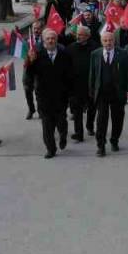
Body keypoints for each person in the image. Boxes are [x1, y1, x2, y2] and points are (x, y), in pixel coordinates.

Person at [29, 29, 73, 159]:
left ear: (56, 40)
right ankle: (50, 149)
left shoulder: (64, 55)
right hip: (44, 96)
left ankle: (63, 136)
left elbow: (70, 75)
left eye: (53, 38)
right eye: (48, 39)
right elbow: (31, 74)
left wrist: (70, 93)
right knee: (47, 124)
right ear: (44, 41)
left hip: (61, 96)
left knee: (61, 121)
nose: (50, 41)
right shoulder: (37, 55)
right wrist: (30, 62)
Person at [88, 30, 128, 157]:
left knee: (118, 119)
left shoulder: (123, 54)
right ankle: (101, 145)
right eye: (105, 40)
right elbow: (92, 73)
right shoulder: (95, 54)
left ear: (114, 41)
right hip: (102, 93)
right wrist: (91, 91)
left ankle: (114, 140)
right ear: (101, 41)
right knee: (101, 120)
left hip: (118, 93)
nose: (108, 43)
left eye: (110, 40)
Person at [67, 25, 100, 143]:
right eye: (77, 34)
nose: (78, 36)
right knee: (77, 111)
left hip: (90, 84)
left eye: (81, 34)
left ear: (88, 36)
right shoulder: (70, 48)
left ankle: (90, 126)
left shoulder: (95, 48)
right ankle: (78, 133)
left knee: (92, 108)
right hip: (76, 85)